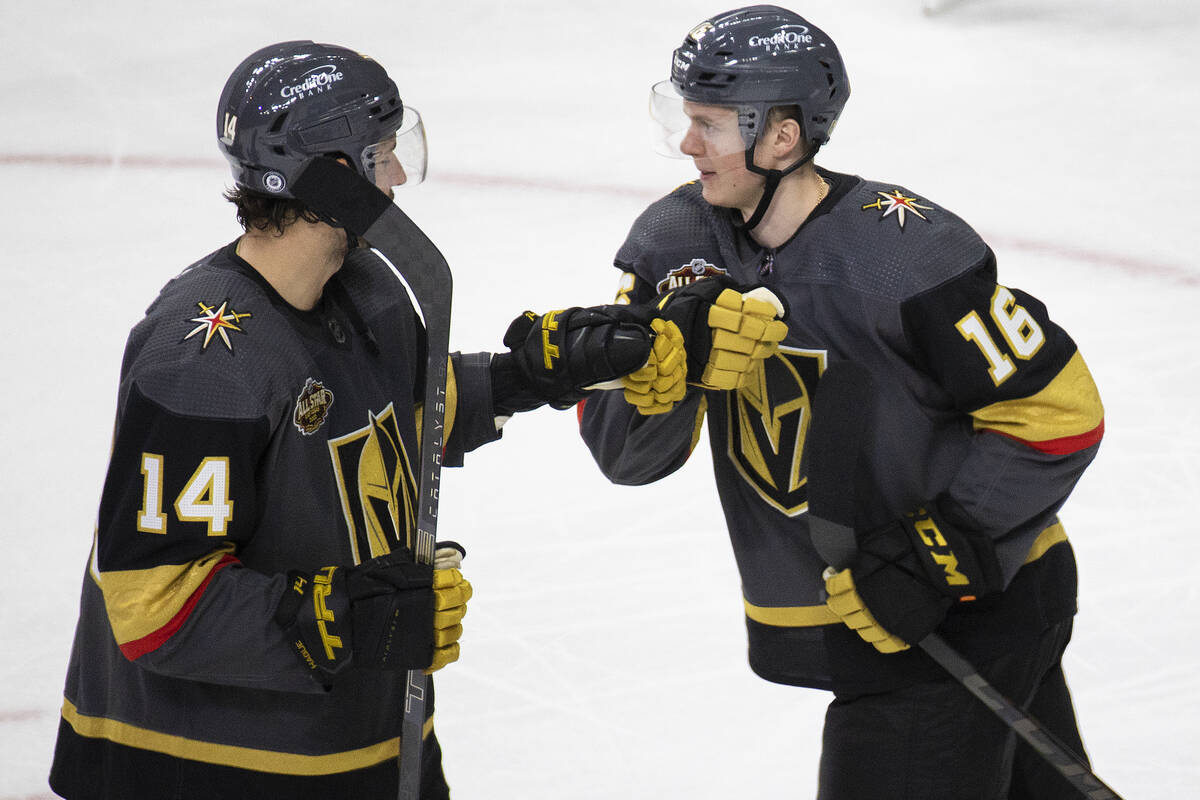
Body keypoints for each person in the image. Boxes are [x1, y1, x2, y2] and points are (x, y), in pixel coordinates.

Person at [48, 40, 785, 800]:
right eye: (381, 153)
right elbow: (155, 601)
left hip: (365, 751)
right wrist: (341, 618)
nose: (398, 175)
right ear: (328, 175)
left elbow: (381, 430)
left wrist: (531, 375)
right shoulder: (205, 354)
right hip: (205, 771)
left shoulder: (365, 289)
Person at [579, 6, 1106, 799]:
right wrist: (671, 371)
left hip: (974, 604)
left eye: (710, 124)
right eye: (684, 119)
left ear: (781, 135)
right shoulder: (673, 245)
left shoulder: (904, 255)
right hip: (875, 619)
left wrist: (940, 549)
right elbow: (624, 453)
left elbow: (1058, 413)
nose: (688, 145)